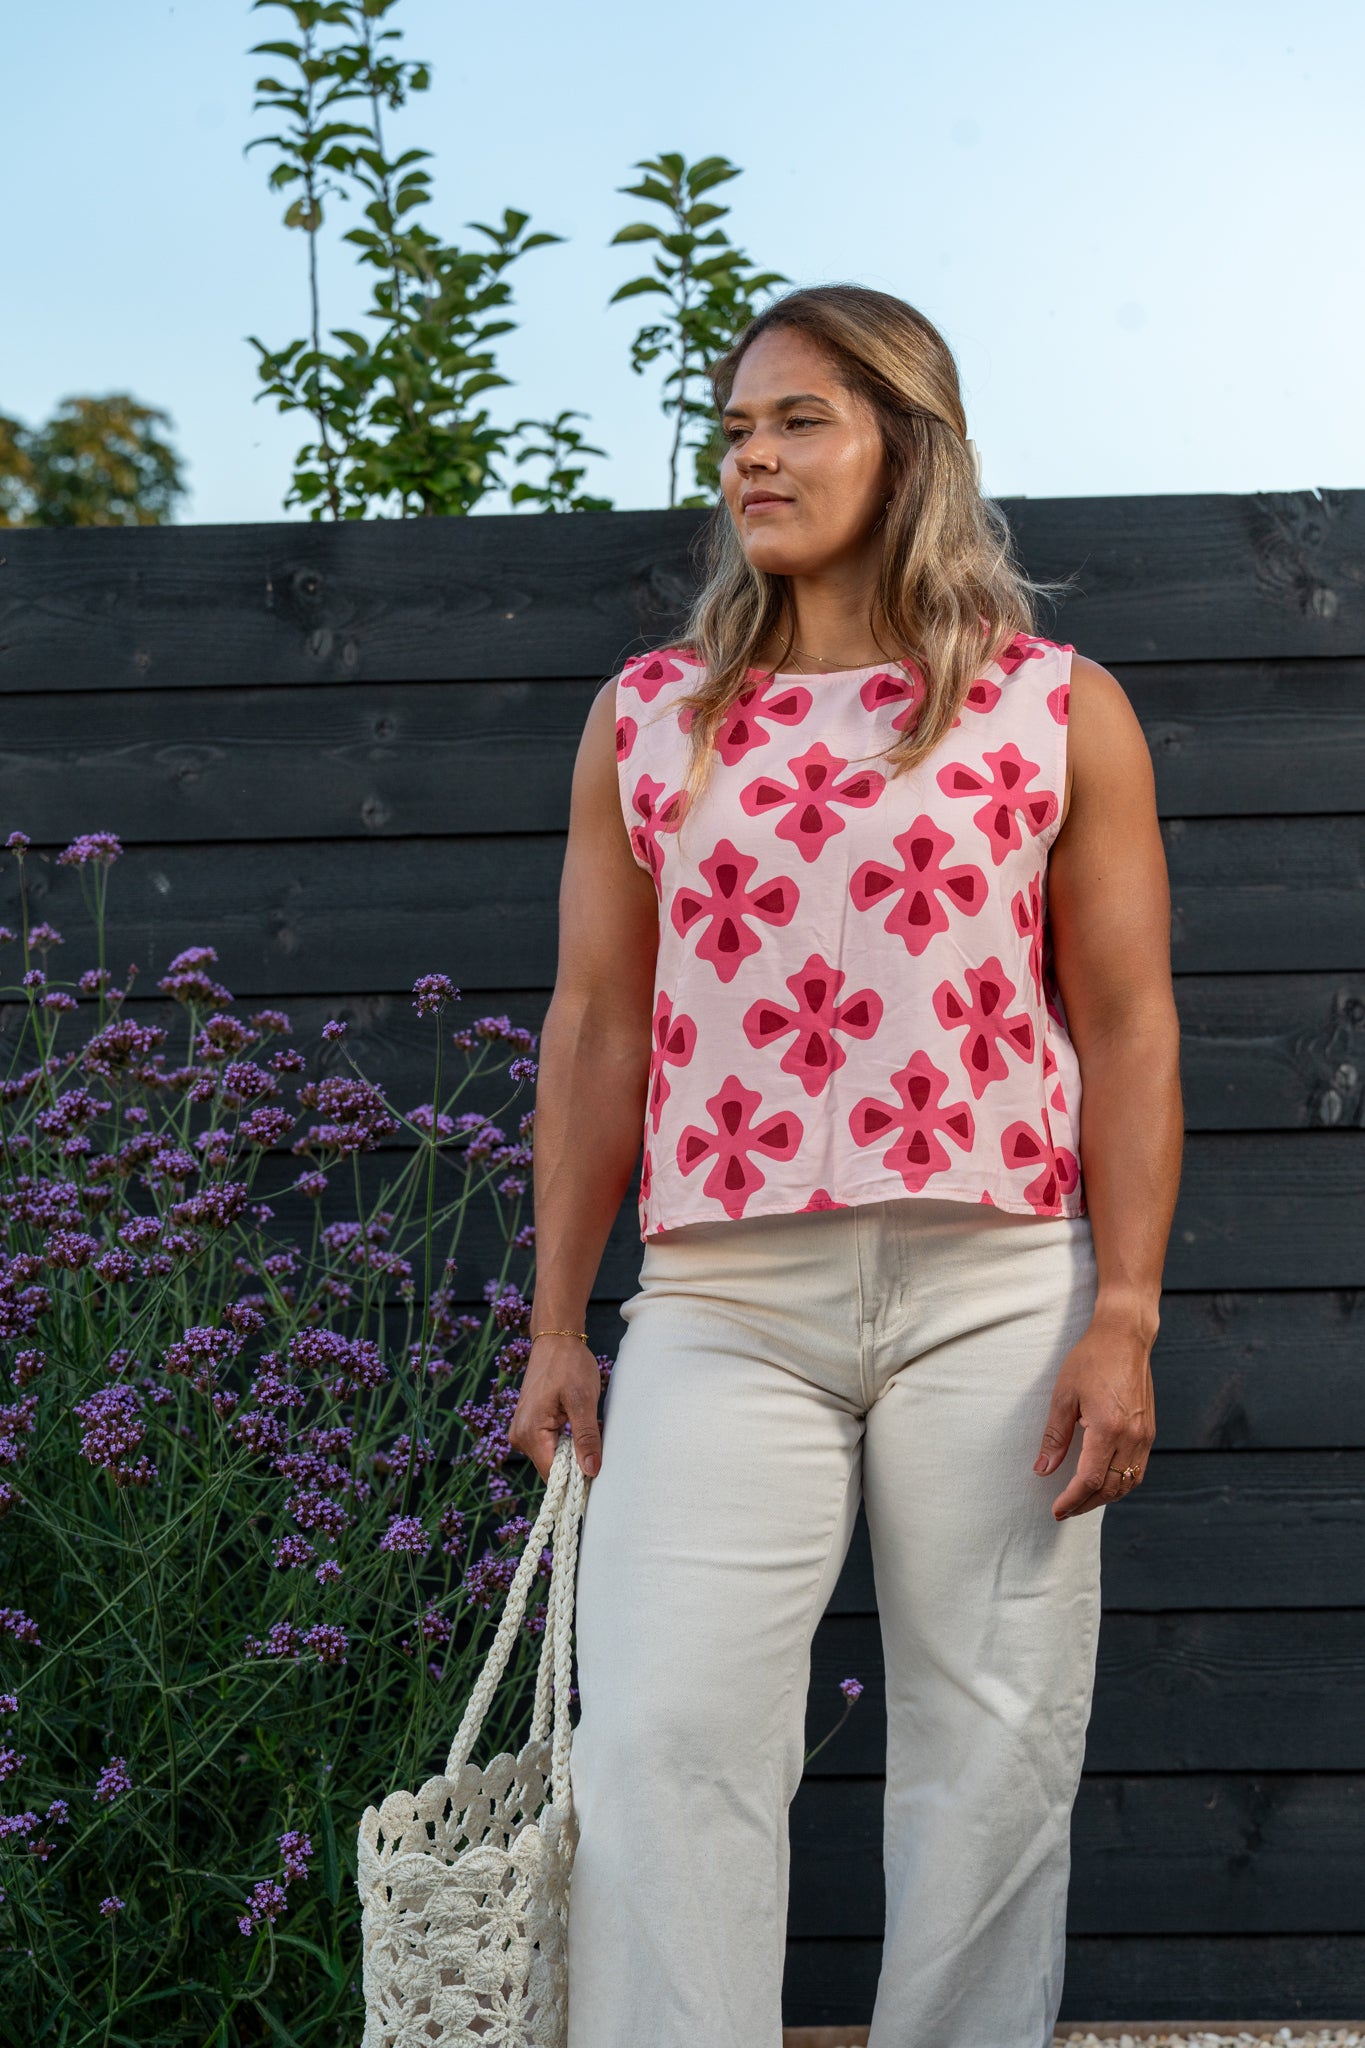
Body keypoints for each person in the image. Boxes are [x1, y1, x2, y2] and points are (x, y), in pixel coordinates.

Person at [510, 283, 1183, 2048]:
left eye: (799, 418)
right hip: (723, 1299)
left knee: (992, 1746)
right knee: (661, 1736)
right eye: (734, 427)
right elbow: (593, 1027)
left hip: (994, 1283)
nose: (752, 454)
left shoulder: (1055, 709)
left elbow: (1126, 1024)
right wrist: (555, 1324)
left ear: (910, 441)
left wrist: (1123, 1309)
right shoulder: (649, 719)